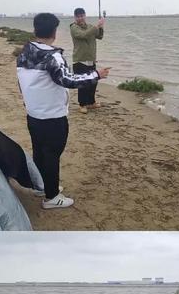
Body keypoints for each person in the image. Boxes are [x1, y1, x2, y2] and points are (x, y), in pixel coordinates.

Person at [16, 13, 111, 209]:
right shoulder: (53, 56)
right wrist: (96, 75)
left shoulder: (25, 52)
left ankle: (41, 186)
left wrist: (28, 103)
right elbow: (68, 80)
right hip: (52, 116)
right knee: (51, 154)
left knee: (40, 152)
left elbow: (23, 82)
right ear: (54, 32)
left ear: (35, 30)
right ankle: (51, 197)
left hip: (34, 114)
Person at [70, 8, 105, 114]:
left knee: (93, 82)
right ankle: (82, 104)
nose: (80, 18)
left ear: (85, 16)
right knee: (83, 83)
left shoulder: (90, 27)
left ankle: (91, 102)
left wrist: (101, 26)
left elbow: (100, 36)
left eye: (82, 16)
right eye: (78, 16)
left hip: (91, 60)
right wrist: (97, 26)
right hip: (79, 60)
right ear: (75, 17)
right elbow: (83, 35)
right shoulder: (74, 27)